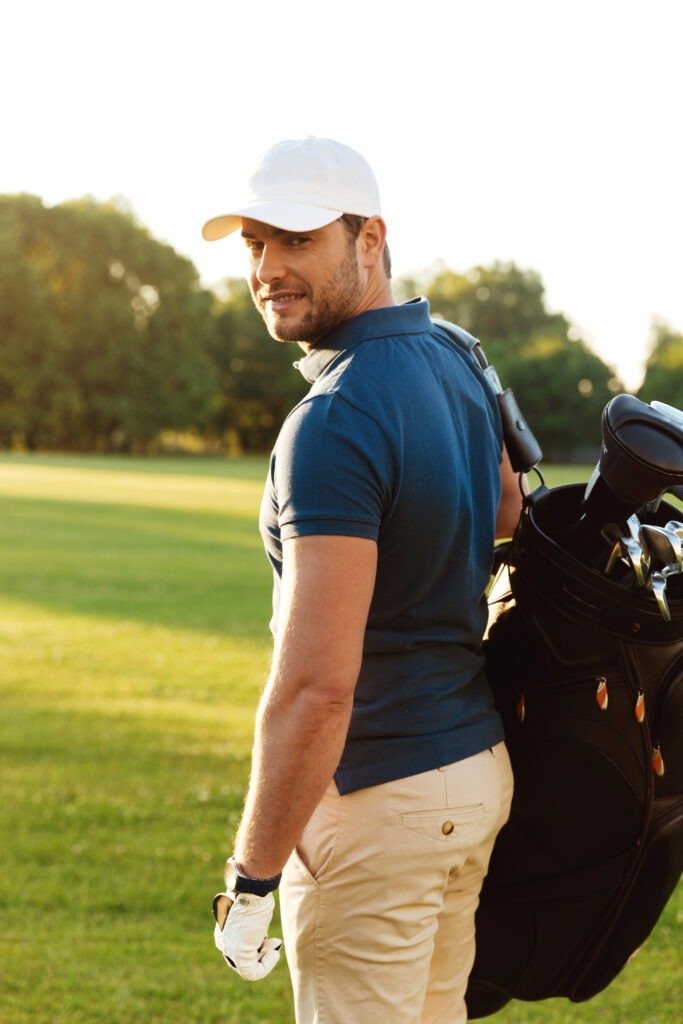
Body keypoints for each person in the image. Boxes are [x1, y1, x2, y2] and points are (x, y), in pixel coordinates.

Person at [202, 136, 522, 1024]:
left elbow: (315, 687)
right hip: (473, 772)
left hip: (381, 801)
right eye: (256, 244)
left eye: (297, 239)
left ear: (369, 239)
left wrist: (252, 878)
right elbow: (508, 509)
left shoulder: (333, 418)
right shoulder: (455, 358)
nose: (268, 268)